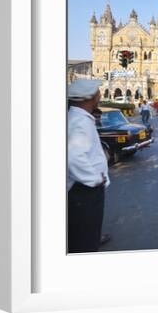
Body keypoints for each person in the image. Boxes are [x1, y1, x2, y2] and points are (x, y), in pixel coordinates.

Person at [67, 79, 110, 253]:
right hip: (84, 191)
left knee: (87, 230)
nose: (100, 94)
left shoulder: (79, 117)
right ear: (89, 97)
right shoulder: (80, 122)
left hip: (84, 189)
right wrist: (94, 179)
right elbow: (73, 158)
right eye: (97, 91)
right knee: (85, 238)